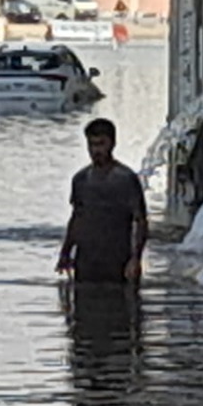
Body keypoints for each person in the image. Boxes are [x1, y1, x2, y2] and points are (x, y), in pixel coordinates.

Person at [56, 118, 148, 284]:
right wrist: (65, 252)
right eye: (91, 145)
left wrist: (136, 259)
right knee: (83, 307)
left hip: (118, 261)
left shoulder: (126, 179)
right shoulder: (81, 179)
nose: (95, 150)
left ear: (112, 144)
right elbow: (77, 217)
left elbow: (140, 221)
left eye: (101, 144)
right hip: (86, 262)